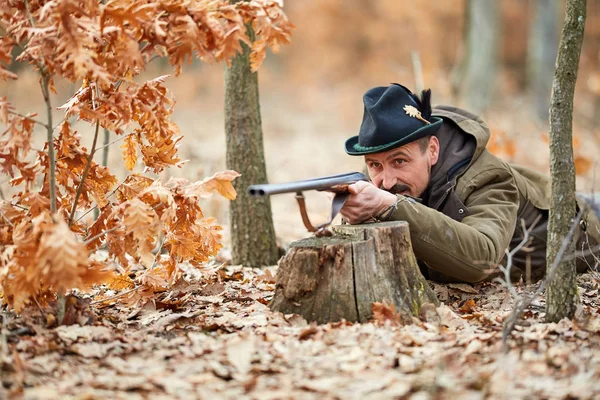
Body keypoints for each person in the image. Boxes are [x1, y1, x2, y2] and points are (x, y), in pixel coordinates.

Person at [340, 83, 600, 283]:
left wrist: (392, 206)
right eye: (375, 165)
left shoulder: (490, 179)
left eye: (399, 162)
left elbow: (481, 259)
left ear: (432, 150)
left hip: (587, 225)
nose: (386, 181)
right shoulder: (385, 173)